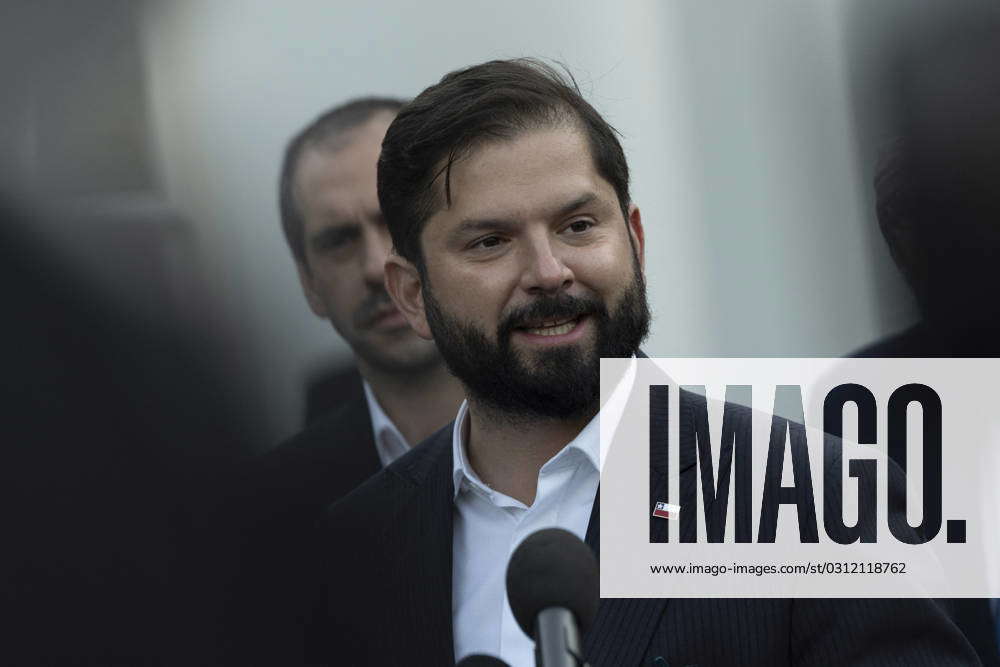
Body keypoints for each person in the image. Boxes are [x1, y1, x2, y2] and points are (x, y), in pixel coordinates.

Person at [307, 60, 979, 666]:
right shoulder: (352, 548)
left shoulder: (818, 499)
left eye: (577, 226)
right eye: (490, 241)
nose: (548, 271)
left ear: (633, 239)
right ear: (413, 294)